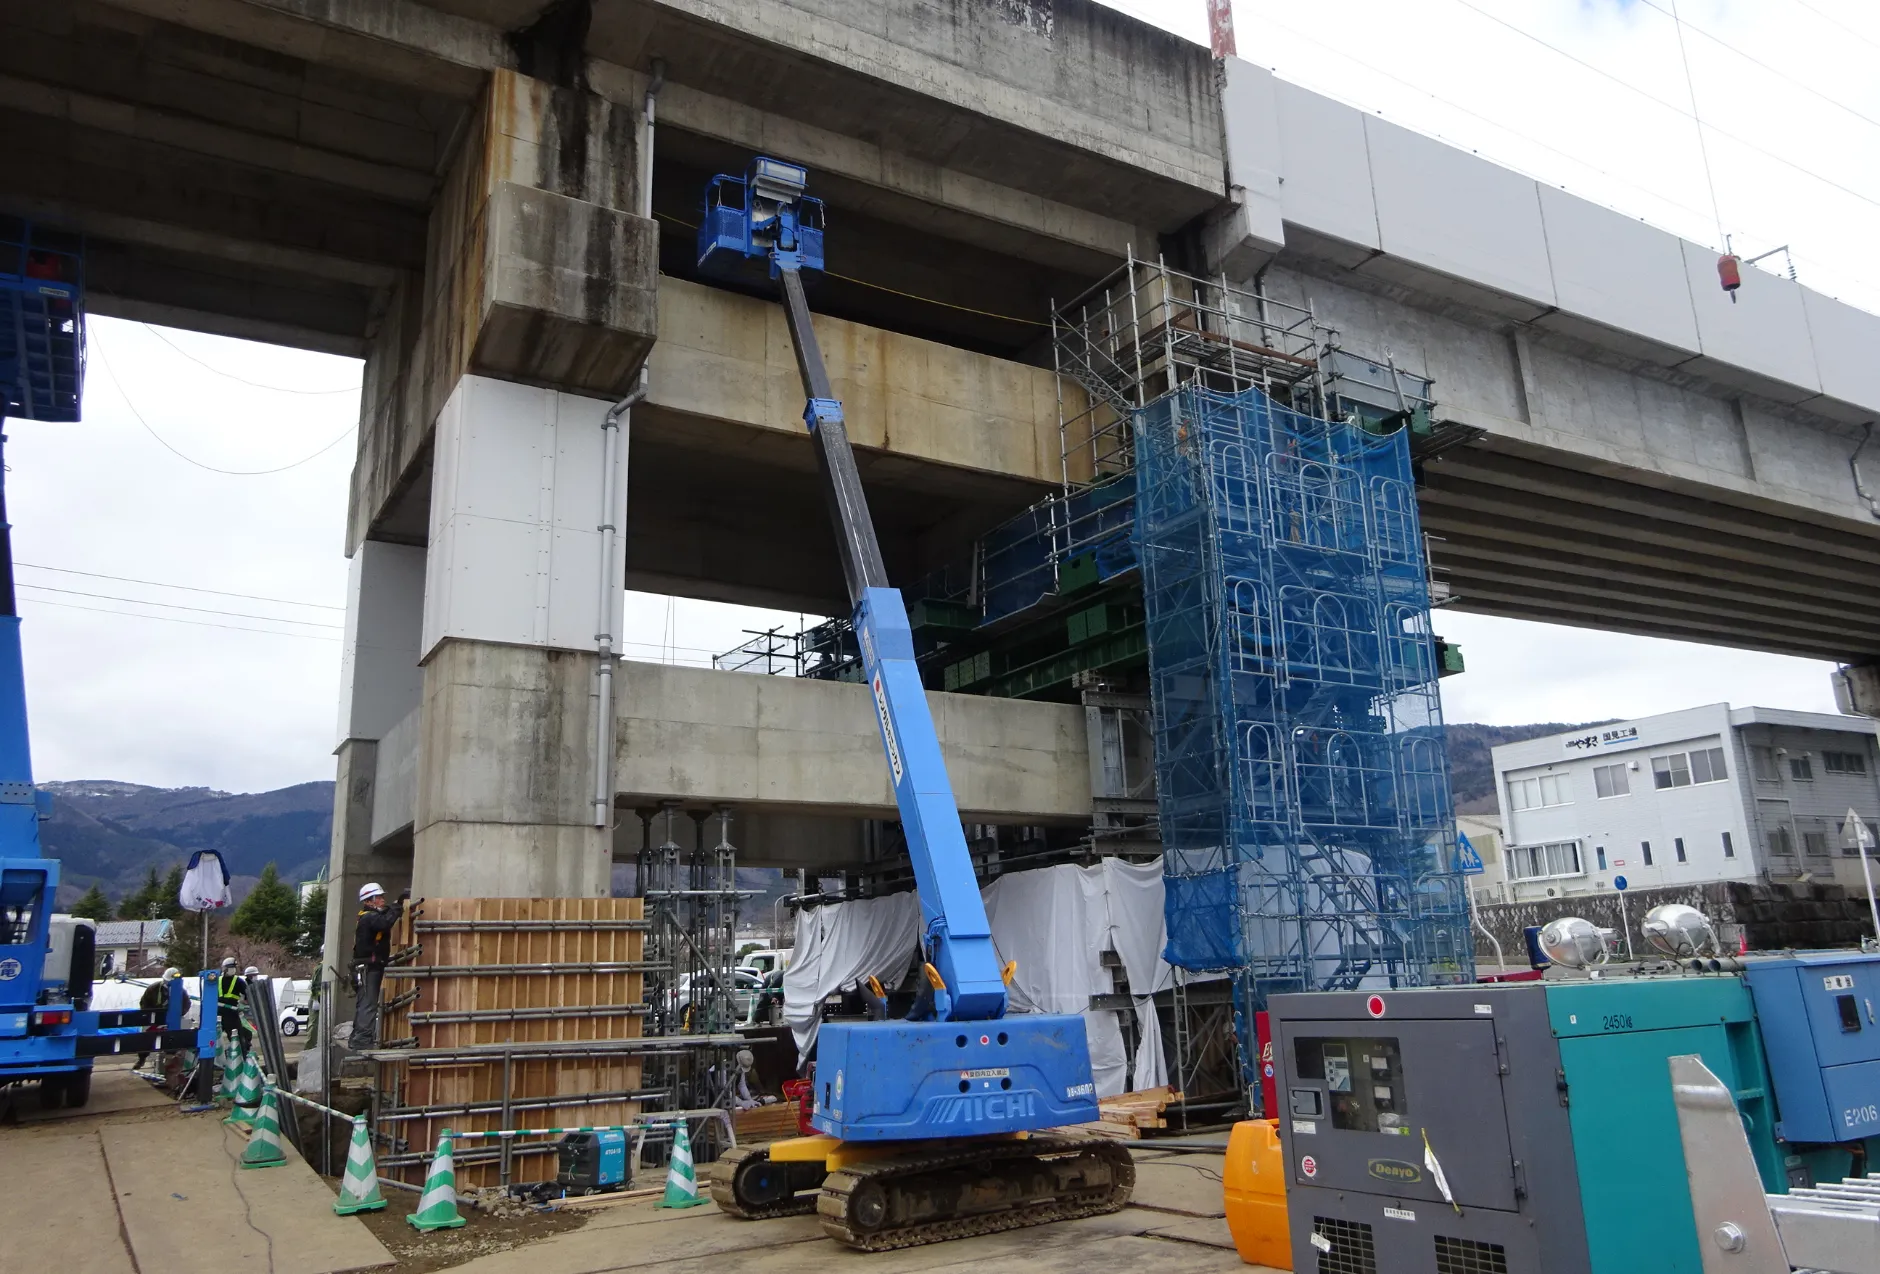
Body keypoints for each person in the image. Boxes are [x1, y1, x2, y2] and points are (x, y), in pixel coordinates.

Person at [350, 882, 407, 1048]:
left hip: (368, 967)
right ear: (369, 900)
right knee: (368, 1004)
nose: (383, 900)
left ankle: (359, 1038)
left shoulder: (367, 916)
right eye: (379, 897)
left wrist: (394, 905)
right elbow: (384, 922)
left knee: (366, 1004)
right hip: (369, 968)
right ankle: (361, 1040)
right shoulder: (369, 917)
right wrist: (397, 907)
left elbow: (383, 917)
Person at [134, 968, 189, 1072]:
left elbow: (187, 1004)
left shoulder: (181, 991)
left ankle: (169, 1061)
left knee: (172, 1039)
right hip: (154, 1018)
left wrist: (178, 1014)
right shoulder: (153, 988)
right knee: (146, 1039)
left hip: (172, 1020)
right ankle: (142, 1059)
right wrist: (150, 1016)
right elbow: (144, 1003)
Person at [215, 957, 251, 1056]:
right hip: (219, 1014)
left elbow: (248, 995)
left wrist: (245, 1004)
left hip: (230, 1014)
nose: (233, 969)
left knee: (237, 1040)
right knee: (213, 1039)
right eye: (231, 967)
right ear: (224, 968)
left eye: (234, 967)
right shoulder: (217, 980)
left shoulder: (239, 981)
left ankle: (242, 1060)